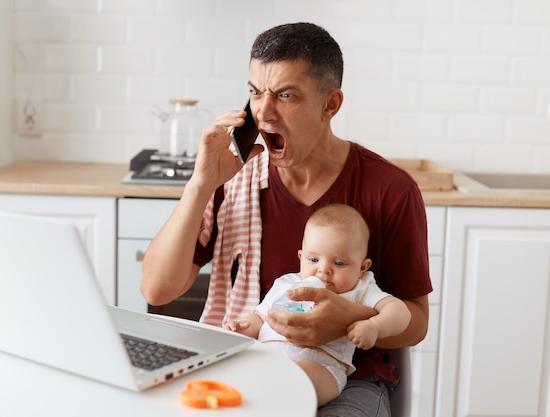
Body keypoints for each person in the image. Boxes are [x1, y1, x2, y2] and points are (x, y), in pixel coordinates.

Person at [141, 22, 432, 417]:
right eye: (255, 92)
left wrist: (351, 318)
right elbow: (156, 291)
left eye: (285, 95)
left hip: (347, 381)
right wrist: (200, 184)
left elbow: (416, 324)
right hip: (248, 365)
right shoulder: (233, 178)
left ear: (330, 104)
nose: (263, 111)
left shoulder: (390, 190)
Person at [223, 204, 411, 406]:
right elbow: (261, 317)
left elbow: (400, 312)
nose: (323, 270)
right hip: (267, 361)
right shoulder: (286, 284)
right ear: (301, 257)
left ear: (362, 267)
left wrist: (375, 326)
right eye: (313, 259)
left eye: (339, 263)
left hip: (322, 369)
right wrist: (244, 327)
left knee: (298, 376)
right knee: (233, 369)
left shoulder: (360, 289)